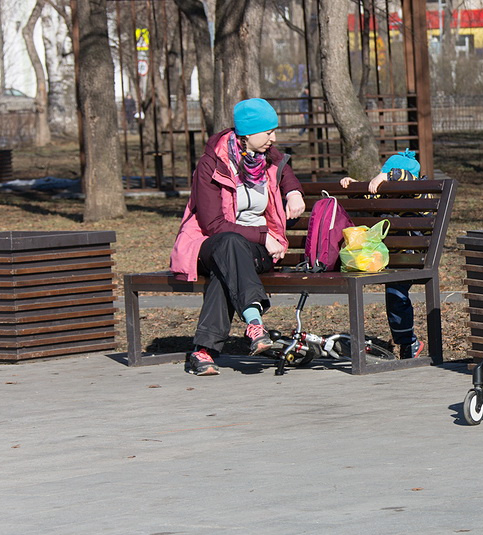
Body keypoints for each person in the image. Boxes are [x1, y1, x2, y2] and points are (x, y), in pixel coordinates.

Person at [170, 98, 306, 376]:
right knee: (229, 246)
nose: (273, 138)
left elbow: (285, 171)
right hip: (211, 243)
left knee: (227, 269)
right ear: (247, 134)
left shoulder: (269, 157)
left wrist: (293, 192)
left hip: (253, 251)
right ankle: (254, 322)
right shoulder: (211, 165)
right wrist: (262, 234)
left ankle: (203, 351)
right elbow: (214, 224)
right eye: (268, 132)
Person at [339, 150, 426, 359]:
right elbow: (366, 195)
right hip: (384, 258)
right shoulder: (384, 196)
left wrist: (388, 176)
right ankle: (407, 343)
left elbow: (407, 180)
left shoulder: (420, 192)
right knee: (394, 295)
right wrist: (353, 185)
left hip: (411, 258)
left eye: (389, 181)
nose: (386, 190)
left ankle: (408, 343)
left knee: (396, 294)